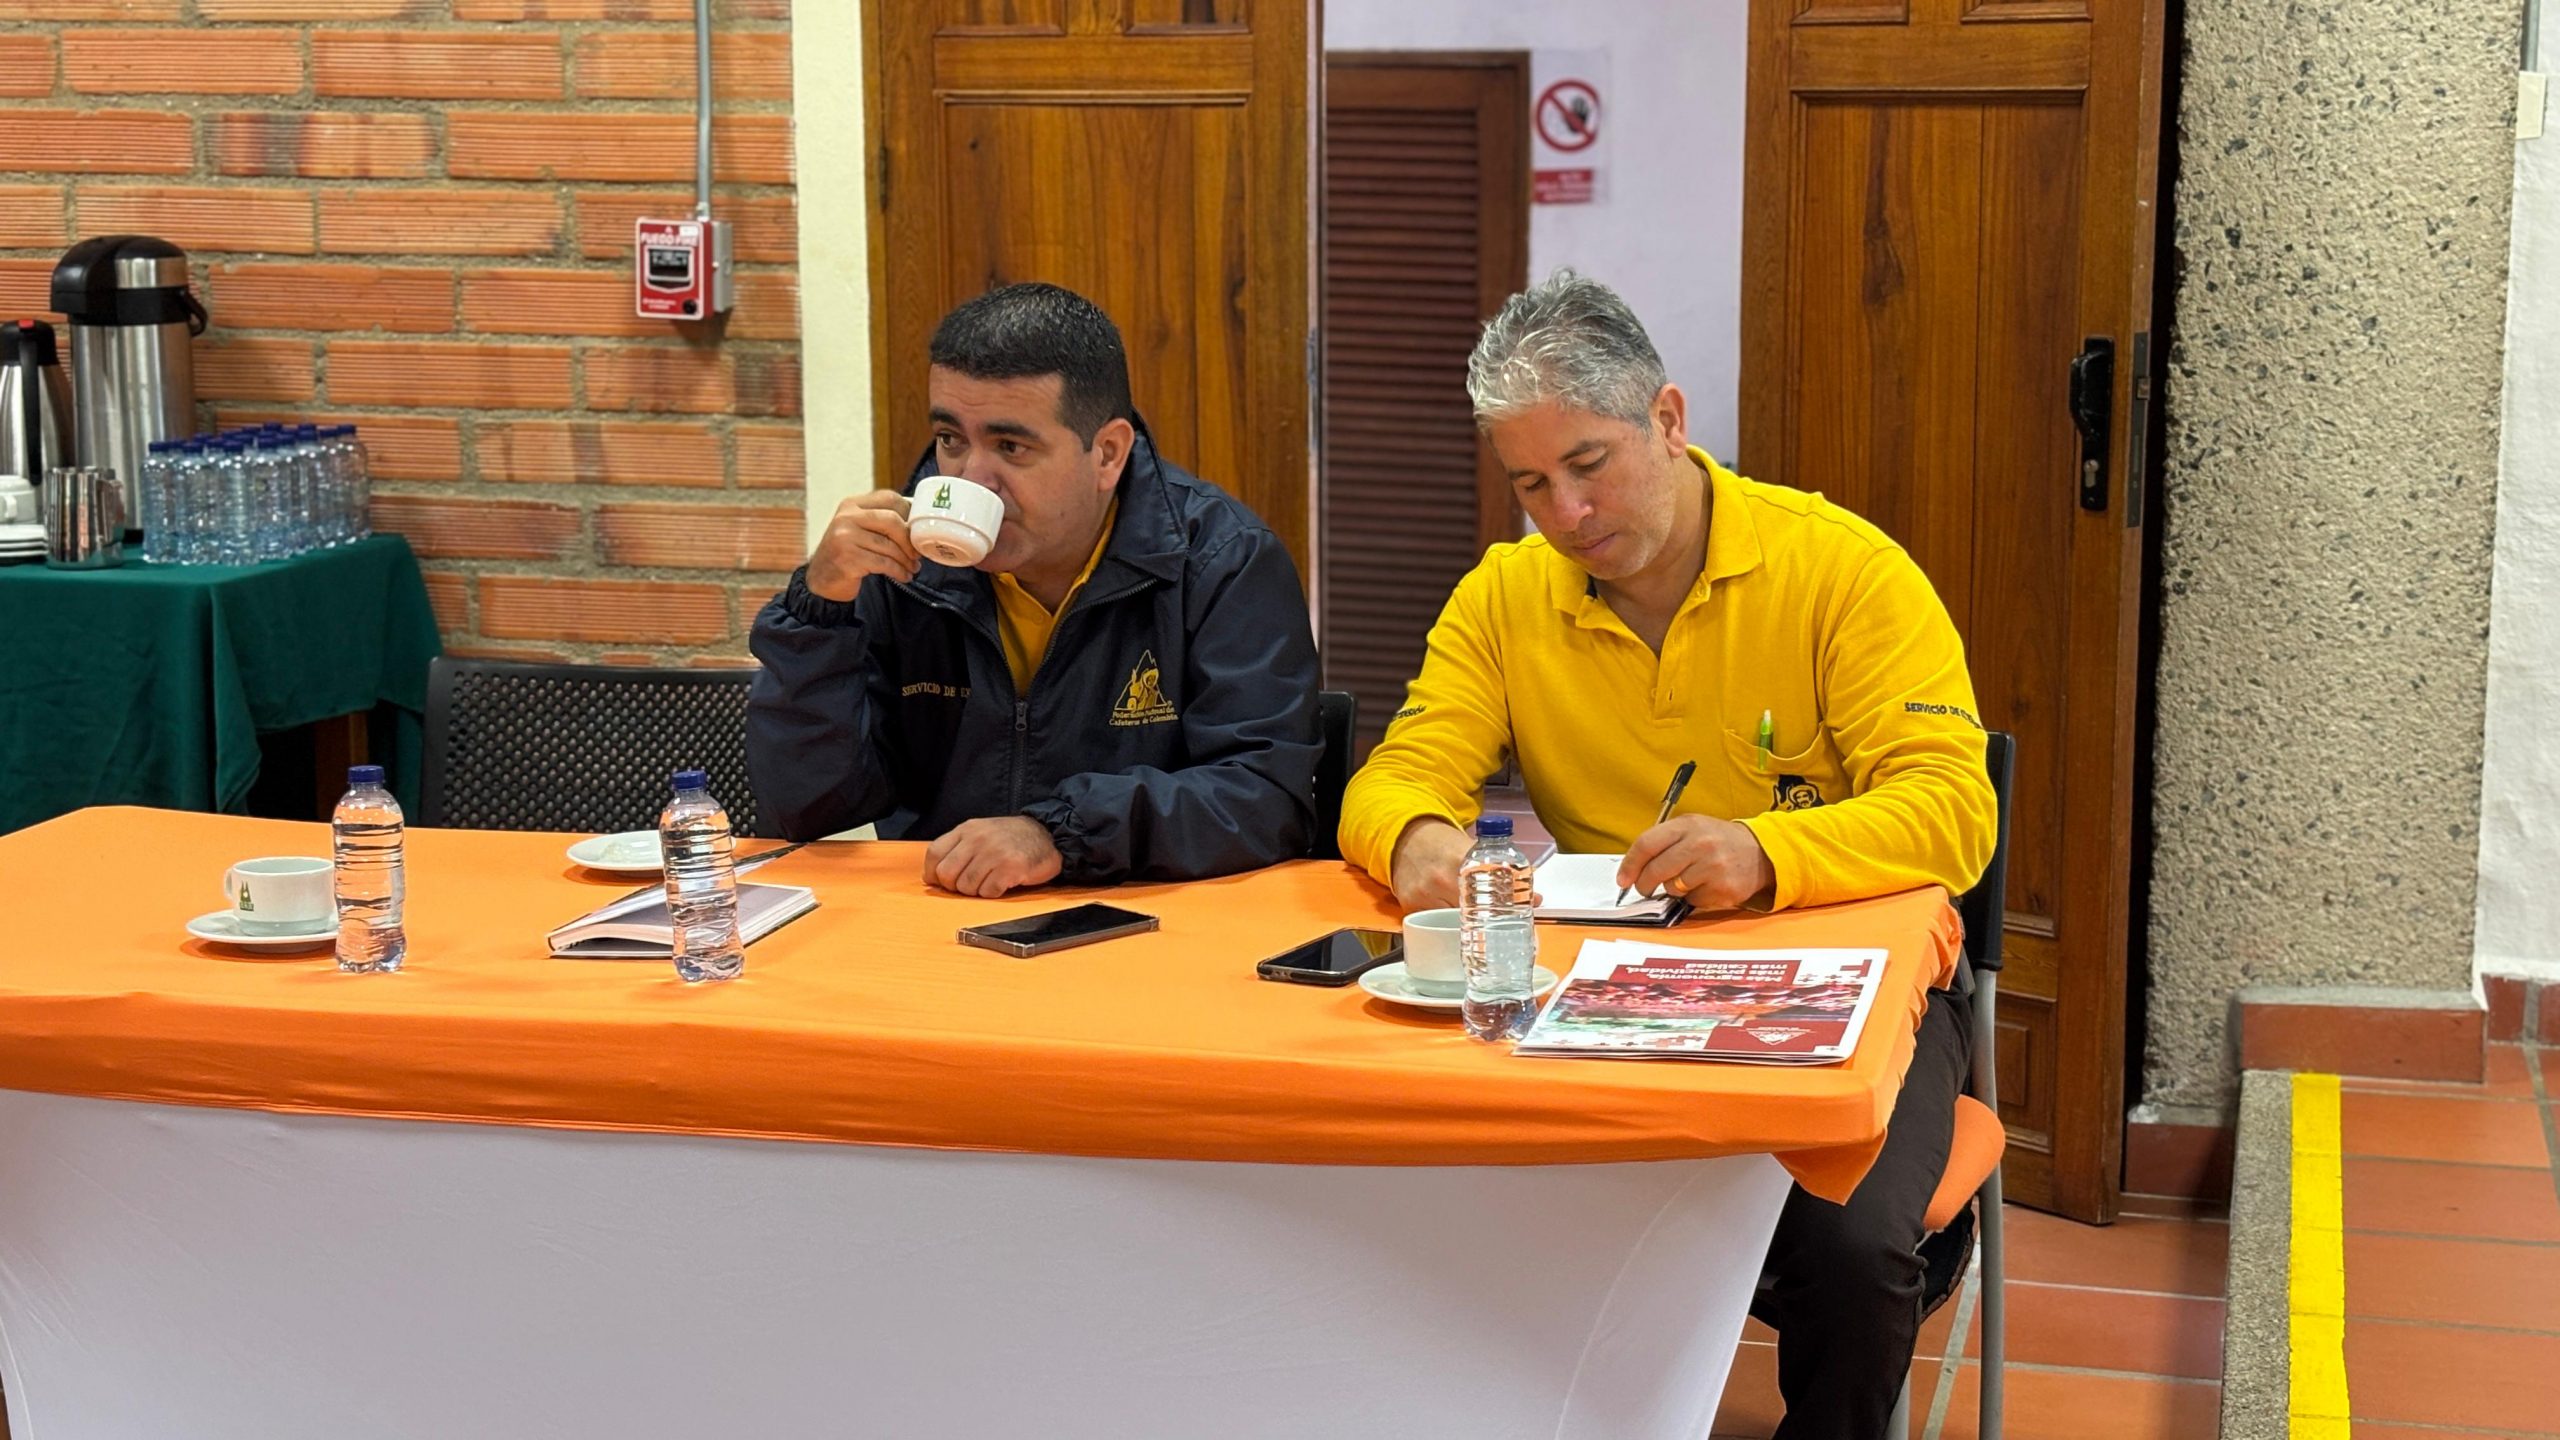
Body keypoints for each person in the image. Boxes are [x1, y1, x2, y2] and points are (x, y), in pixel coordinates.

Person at [1338, 270, 1996, 1440]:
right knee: (1418, 1179)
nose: (1566, 513)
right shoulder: (1506, 596)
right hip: (1601, 985)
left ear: (1668, 419)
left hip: (1851, 975)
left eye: (1588, 464)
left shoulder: (1839, 568)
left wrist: (1767, 852)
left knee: (1848, 1251)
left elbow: (1954, 811)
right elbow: (1395, 775)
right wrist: (1418, 837)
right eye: (1530, 484)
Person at [747, 281, 1320, 896]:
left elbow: (1265, 796)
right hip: (941, 912)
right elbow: (805, 810)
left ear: (1107, 453)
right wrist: (820, 611)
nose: (972, 479)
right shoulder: (903, 568)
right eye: (951, 439)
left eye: (1010, 446)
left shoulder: (1220, 560)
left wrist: (1059, 834)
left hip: (1149, 915)